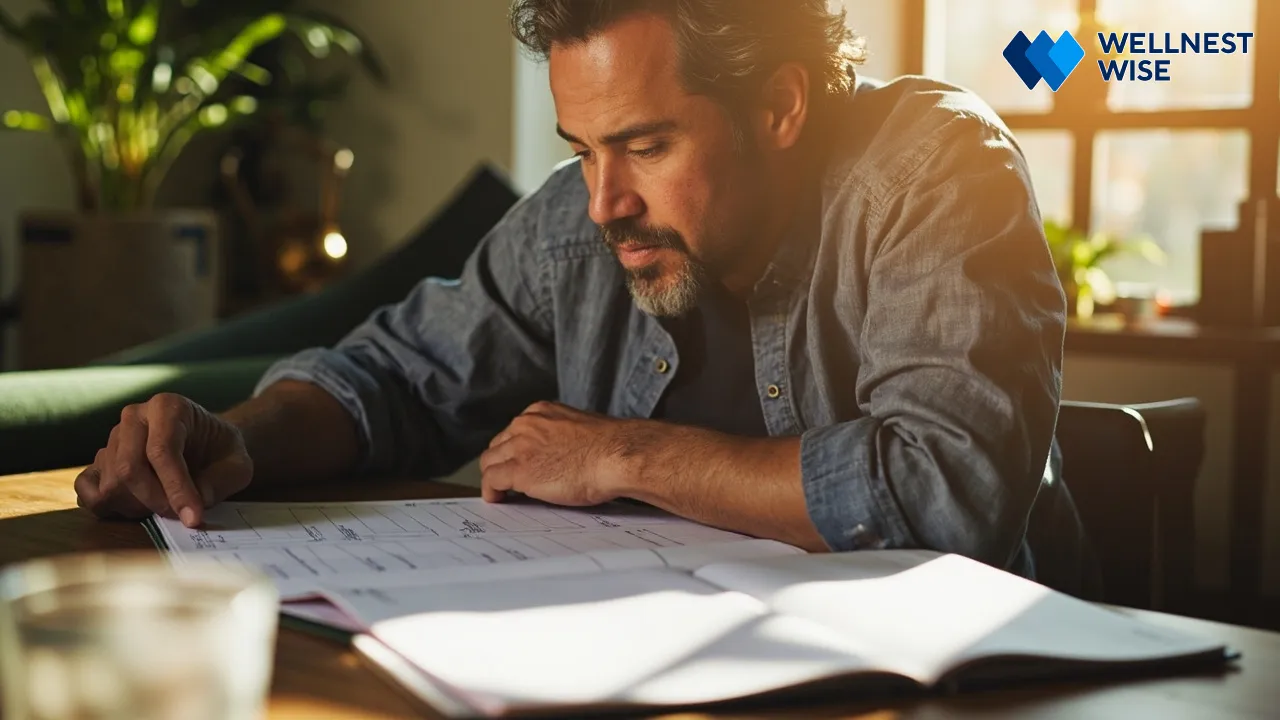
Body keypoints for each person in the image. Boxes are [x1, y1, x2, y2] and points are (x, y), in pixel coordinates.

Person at [75, 0, 1095, 593]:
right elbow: (395, 379)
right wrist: (238, 437)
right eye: (581, 149)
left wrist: (619, 454)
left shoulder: (927, 170)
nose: (604, 202)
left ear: (779, 106)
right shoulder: (579, 219)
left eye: (646, 144)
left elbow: (942, 492)